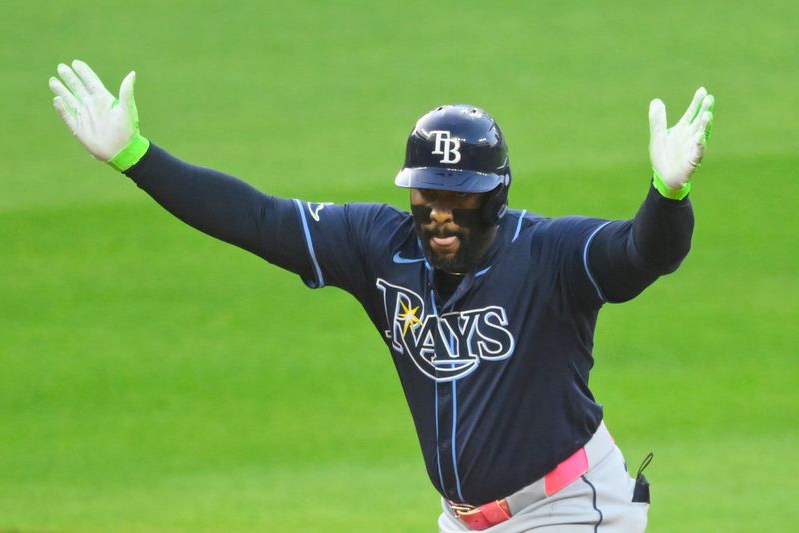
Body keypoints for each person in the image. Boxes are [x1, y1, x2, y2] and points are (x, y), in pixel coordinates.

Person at [49, 60, 714, 532]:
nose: (441, 215)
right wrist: (136, 155)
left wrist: (668, 196)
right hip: (464, 521)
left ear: (498, 196)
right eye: (427, 195)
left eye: (461, 198)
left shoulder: (551, 256)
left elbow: (640, 255)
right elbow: (260, 219)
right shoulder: (379, 246)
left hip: (568, 509)